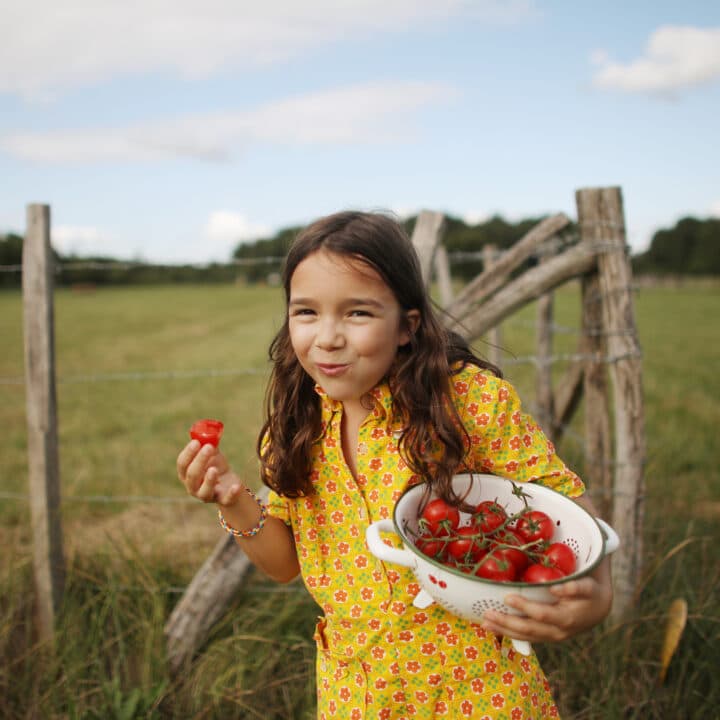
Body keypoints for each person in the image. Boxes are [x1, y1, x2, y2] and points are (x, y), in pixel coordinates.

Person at [177, 210, 613, 719]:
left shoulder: (468, 401)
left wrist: (596, 598)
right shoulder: (297, 426)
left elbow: (569, 516)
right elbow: (283, 565)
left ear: (406, 327)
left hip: (477, 694)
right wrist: (232, 497)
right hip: (357, 696)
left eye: (357, 313)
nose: (328, 338)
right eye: (306, 313)